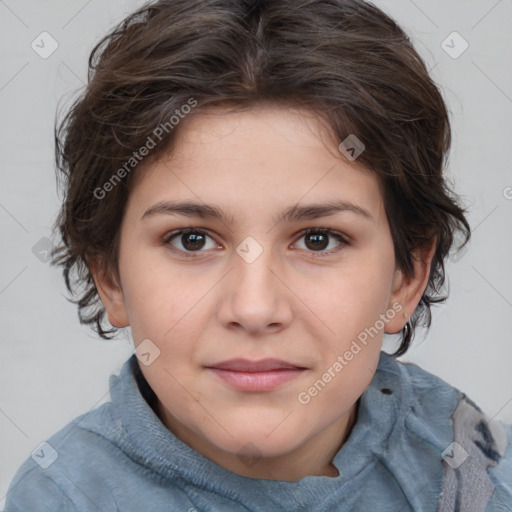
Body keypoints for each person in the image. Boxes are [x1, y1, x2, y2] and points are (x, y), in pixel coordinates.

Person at [4, 0, 511, 510]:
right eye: (192, 240)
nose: (254, 308)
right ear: (110, 276)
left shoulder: (481, 477)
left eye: (318, 239)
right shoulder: (60, 497)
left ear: (405, 278)